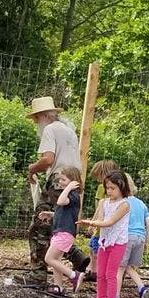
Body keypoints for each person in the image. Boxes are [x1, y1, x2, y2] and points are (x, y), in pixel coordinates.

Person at [25, 96, 88, 281]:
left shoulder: (50, 130)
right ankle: (76, 256)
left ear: (44, 116)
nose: (36, 123)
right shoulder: (69, 131)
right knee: (59, 222)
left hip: (58, 179)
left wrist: (32, 169)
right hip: (74, 179)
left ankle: (38, 275)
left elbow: (48, 160)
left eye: (37, 118)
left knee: (39, 227)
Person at [79, 170, 130, 298]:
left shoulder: (124, 205)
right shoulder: (103, 202)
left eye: (113, 188)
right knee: (100, 272)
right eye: (107, 188)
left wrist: (90, 222)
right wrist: (92, 223)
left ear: (122, 187)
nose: (109, 191)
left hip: (118, 243)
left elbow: (110, 222)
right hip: (104, 241)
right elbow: (101, 219)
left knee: (110, 273)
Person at [39, 167, 85, 294]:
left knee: (49, 258)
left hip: (65, 232)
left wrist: (69, 187)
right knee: (56, 260)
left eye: (64, 180)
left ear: (73, 181)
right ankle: (58, 286)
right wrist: (51, 214)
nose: (61, 182)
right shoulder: (69, 195)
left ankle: (73, 275)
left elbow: (61, 201)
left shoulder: (73, 195)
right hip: (60, 231)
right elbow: (64, 212)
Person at [115, 173, 149, 298]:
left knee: (119, 268)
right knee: (129, 267)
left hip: (127, 237)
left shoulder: (123, 203)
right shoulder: (141, 203)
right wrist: (147, 242)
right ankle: (142, 288)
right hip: (140, 238)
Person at [84, 160, 119, 282]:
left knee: (95, 247)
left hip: (101, 224)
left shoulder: (102, 188)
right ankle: (97, 271)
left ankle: (95, 272)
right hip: (111, 225)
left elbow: (99, 207)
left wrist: (93, 221)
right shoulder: (117, 190)